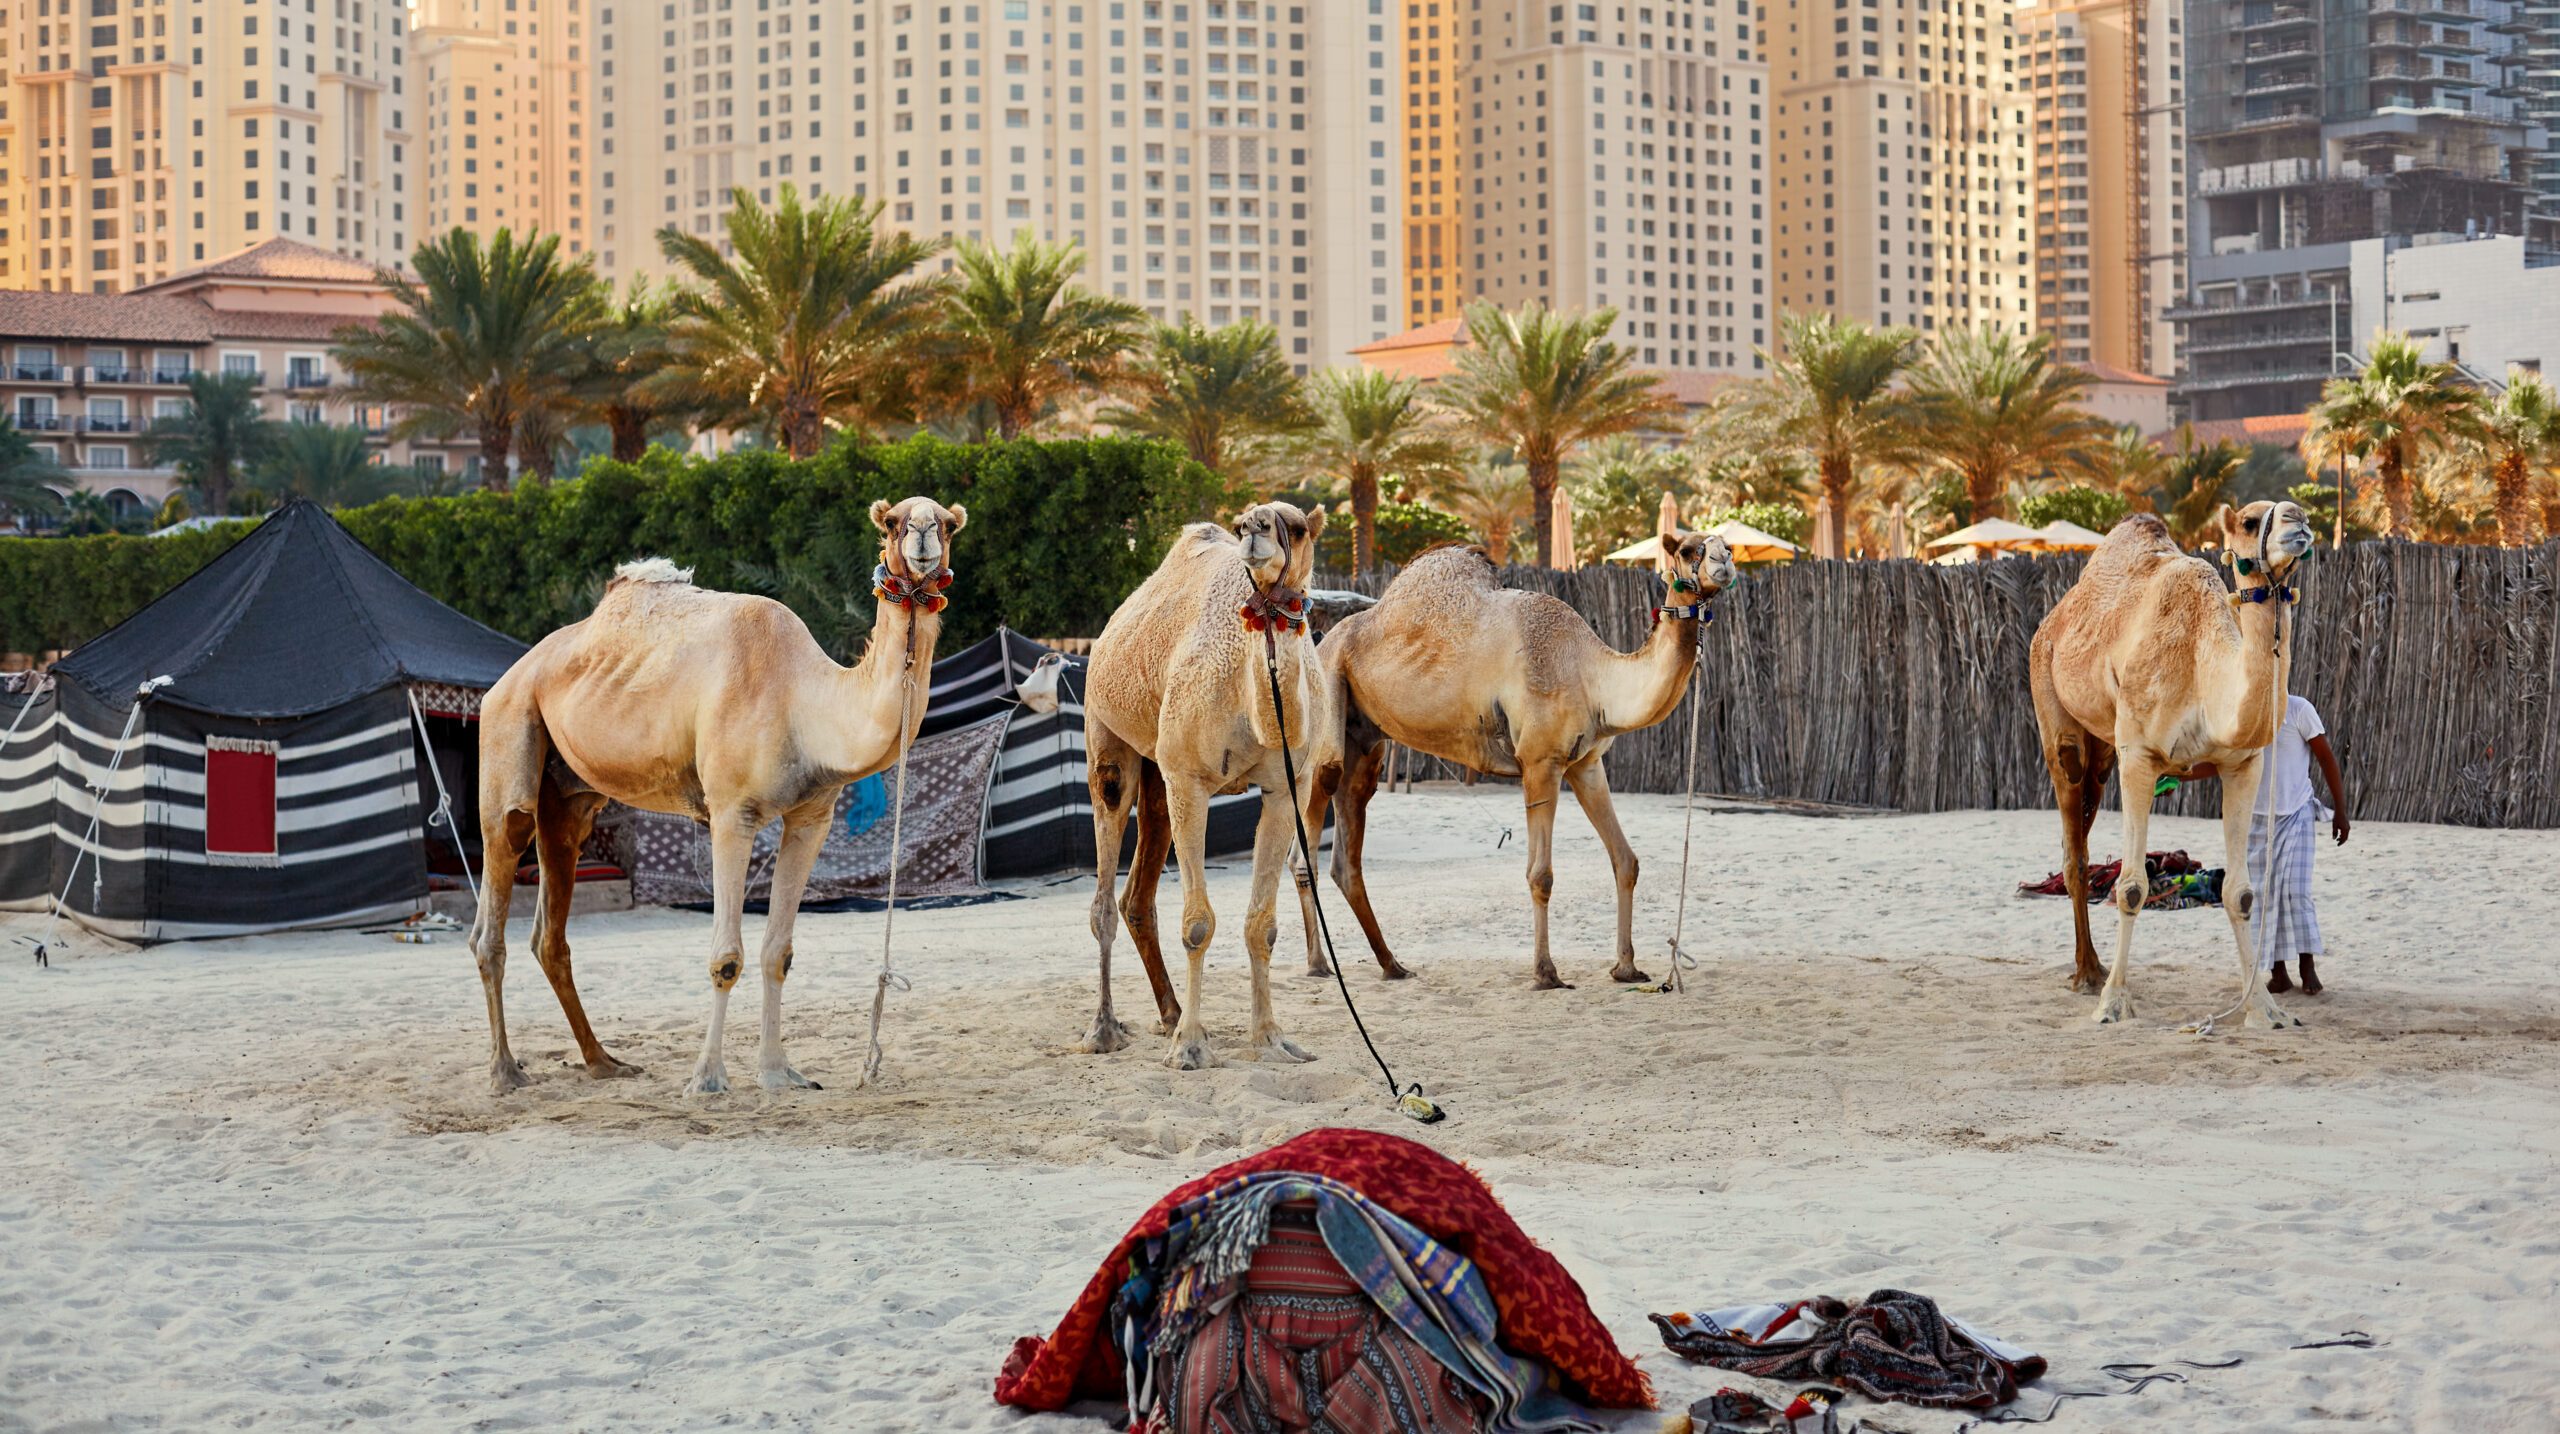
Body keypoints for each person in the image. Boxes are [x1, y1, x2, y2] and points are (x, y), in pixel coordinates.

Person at [2245, 694, 2350, 994]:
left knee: (2296, 891)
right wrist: (2177, 775)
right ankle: (2278, 972)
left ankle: (2307, 966)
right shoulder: (2249, 710)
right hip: (2258, 819)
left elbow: (2326, 758)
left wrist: (2340, 812)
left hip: (2297, 813)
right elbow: (2221, 761)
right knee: (2264, 898)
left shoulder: (2299, 710)